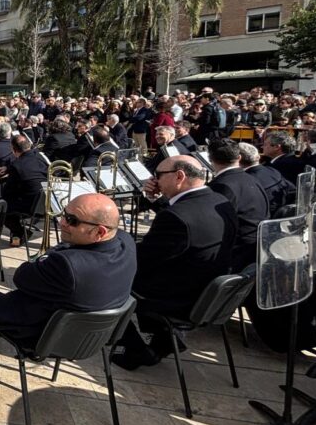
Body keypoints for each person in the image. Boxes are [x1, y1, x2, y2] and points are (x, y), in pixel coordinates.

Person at [114, 157, 237, 370]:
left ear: (179, 176)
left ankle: (137, 350)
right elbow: (184, 225)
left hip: (179, 298)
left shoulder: (177, 217)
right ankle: (164, 341)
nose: (154, 180)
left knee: (104, 282)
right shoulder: (220, 201)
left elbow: (142, 261)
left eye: (159, 175)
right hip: (208, 291)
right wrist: (157, 199)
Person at [0, 193, 136, 344]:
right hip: (93, 334)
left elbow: (21, 277)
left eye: (72, 221)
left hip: (51, 337)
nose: (62, 223)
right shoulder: (126, 241)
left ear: (100, 232)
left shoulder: (66, 265)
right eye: (64, 215)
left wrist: (61, 248)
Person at [207, 140, 268, 272]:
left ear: (210, 159)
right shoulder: (251, 178)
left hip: (237, 254)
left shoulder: (221, 185)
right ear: (239, 157)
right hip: (255, 246)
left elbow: (214, 226)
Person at [238, 141, 293, 217]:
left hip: (264, 219)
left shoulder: (245, 181)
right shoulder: (272, 170)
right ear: (258, 157)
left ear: (238, 159)